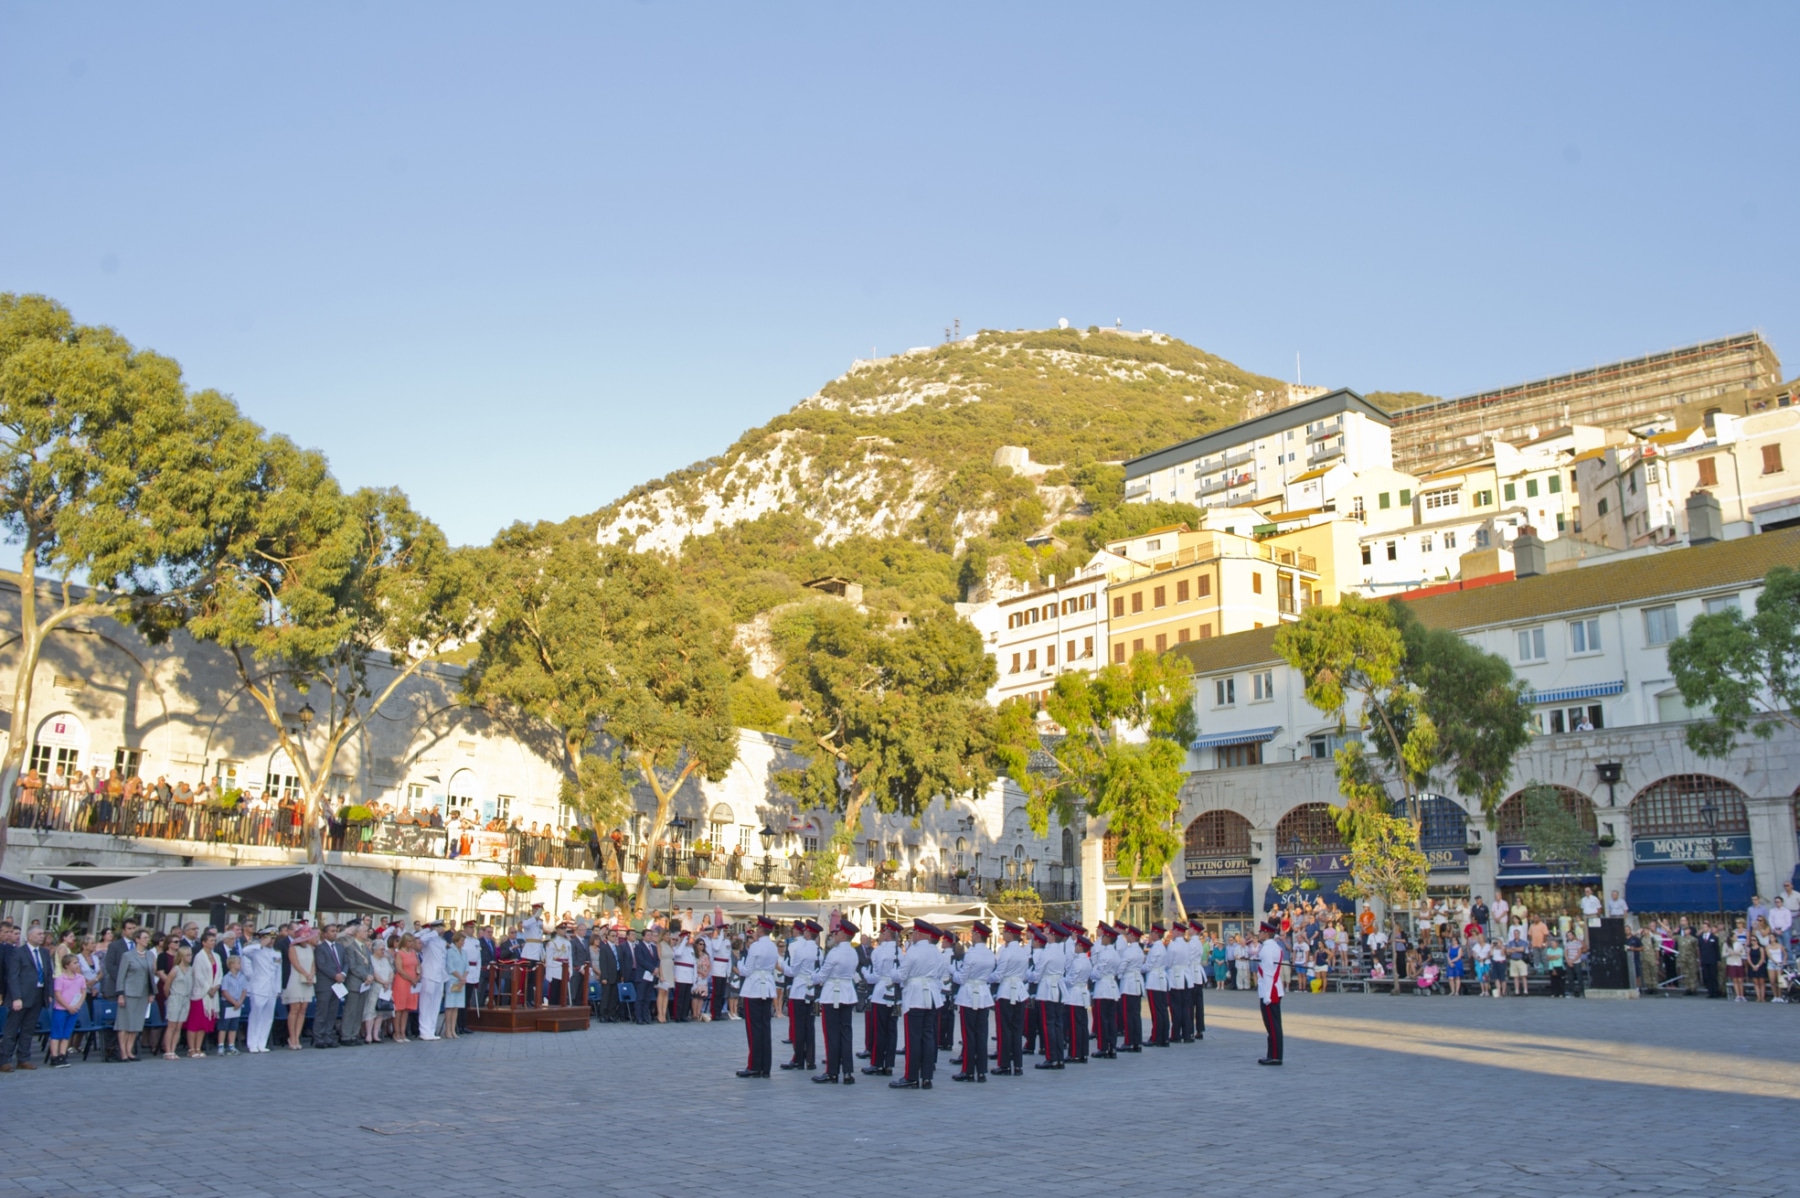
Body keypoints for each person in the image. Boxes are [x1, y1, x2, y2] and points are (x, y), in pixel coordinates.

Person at [890, 920, 944, 1090]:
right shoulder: (936, 952)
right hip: (932, 996)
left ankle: (911, 1076)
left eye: (913, 933)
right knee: (928, 1037)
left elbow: (901, 975)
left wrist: (893, 973)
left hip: (915, 996)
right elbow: (940, 973)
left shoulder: (913, 951)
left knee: (913, 1038)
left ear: (918, 934)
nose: (912, 936)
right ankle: (927, 1077)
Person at [812, 918, 860, 1084]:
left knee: (832, 1034)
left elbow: (822, 976)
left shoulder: (834, 952)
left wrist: (813, 976)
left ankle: (832, 1071)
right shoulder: (853, 952)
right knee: (846, 1033)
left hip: (832, 994)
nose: (835, 935)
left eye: (837, 933)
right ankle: (847, 1071)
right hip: (847, 993)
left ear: (843, 935)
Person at [949, 921, 996, 1083]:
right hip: (983, 994)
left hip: (969, 994)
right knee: (981, 1034)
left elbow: (962, 978)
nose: (971, 935)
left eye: (973, 933)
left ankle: (968, 1070)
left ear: (977, 935)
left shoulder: (971, 954)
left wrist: (952, 971)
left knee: (968, 1034)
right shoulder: (990, 954)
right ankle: (981, 1071)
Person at [735, 915, 779, 1078]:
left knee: (754, 1028)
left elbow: (746, 970)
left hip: (754, 988)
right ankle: (765, 1067)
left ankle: (754, 1065)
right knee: (765, 1027)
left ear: (761, 929)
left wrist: (739, 963)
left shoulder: (755, 946)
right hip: (767, 987)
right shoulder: (773, 947)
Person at [0, 927, 50, 1072]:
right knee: (11, 1029)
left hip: (38, 994)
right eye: (39, 934)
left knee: (28, 1029)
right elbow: (13, 976)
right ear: (29, 936)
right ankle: (4, 1060)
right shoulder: (18, 952)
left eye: (43, 934)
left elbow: (48, 974)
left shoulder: (44, 953)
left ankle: (23, 1059)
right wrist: (16, 997)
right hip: (21, 996)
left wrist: (49, 993)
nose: (42, 936)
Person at [860, 920, 901, 1077]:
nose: (882, 935)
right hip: (895, 994)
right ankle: (889, 1064)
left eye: (884, 932)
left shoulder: (879, 951)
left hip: (881, 993)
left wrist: (865, 973)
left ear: (888, 934)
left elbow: (874, 977)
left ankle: (877, 1063)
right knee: (892, 1030)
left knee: (880, 1030)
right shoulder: (899, 952)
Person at [780, 920, 819, 1070]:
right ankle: (810, 1059)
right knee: (810, 1026)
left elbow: (793, 971)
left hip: (800, 989)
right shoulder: (819, 950)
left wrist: (783, 965)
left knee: (798, 1026)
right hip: (812, 989)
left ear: (807, 933)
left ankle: (798, 1058)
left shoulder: (801, 950)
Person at [114, 928, 155, 1061]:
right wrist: (120, 994)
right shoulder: (128, 956)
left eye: (148, 938)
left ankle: (130, 1050)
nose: (147, 940)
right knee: (125, 1023)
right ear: (137, 939)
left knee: (136, 1023)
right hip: (129, 992)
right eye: (144, 938)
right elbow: (121, 976)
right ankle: (123, 1051)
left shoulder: (150, 955)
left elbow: (151, 975)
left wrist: (151, 992)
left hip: (143, 992)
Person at [185, 930, 223, 1058]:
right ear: (204, 942)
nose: (213, 943)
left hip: (212, 992)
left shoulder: (216, 956)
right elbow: (198, 975)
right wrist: (208, 988)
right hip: (200, 993)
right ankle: (191, 1049)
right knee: (195, 1022)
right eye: (211, 940)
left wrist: (216, 986)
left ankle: (198, 1047)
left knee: (204, 1023)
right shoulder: (199, 957)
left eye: (214, 940)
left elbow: (219, 973)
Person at [1087, 923, 1121, 1060]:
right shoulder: (1115, 953)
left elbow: (1098, 973)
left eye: (1104, 937)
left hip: (1102, 988)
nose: (1101, 939)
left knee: (1102, 1020)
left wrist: (1090, 974)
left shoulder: (1105, 954)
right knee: (1111, 1019)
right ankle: (1112, 1047)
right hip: (1112, 987)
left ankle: (1103, 1048)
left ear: (1108, 938)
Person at [47, 951, 86, 1068]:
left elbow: (83, 992)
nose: (77, 965)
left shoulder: (80, 978)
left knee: (66, 1033)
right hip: (61, 1009)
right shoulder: (61, 978)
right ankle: (54, 1056)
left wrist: (78, 1005)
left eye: (77, 962)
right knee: (56, 1033)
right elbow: (58, 995)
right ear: (67, 965)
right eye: (74, 963)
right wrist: (68, 1006)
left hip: (74, 1009)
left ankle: (62, 1054)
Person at [1255, 920, 1284, 1066]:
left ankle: (1275, 1056)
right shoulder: (1274, 947)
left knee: (1272, 1026)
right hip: (1274, 988)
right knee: (1274, 1024)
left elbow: (1267, 974)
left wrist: (1266, 996)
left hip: (1270, 990)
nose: (1259, 934)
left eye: (1260, 932)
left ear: (1266, 934)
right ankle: (1273, 1054)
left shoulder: (1266, 949)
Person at [283, 928, 315, 1050]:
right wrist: (306, 974)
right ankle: (292, 1037)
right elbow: (295, 964)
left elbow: (313, 964)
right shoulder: (293, 948)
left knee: (303, 1009)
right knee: (295, 1009)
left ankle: (297, 1036)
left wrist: (311, 975)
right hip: (296, 979)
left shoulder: (310, 948)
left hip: (308, 980)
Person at [417, 922, 449, 1039]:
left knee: (435, 1004)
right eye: (439, 927)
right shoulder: (428, 939)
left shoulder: (441, 941)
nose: (442, 930)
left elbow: (443, 959)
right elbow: (420, 939)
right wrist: (432, 931)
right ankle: (424, 1031)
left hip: (439, 975)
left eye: (442, 927)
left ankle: (431, 1030)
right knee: (426, 1003)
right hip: (429, 974)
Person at [162, 946, 194, 1060]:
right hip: (175, 997)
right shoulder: (175, 970)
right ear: (181, 956)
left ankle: (173, 1049)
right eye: (187, 955)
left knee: (178, 1026)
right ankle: (168, 1051)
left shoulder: (191, 969)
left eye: (190, 955)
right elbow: (166, 986)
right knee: (171, 1025)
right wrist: (170, 997)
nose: (190, 957)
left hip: (186, 998)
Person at [217, 954, 247, 1055]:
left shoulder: (242, 977)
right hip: (228, 1003)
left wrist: (240, 1002)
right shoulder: (227, 977)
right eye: (239, 963)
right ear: (232, 964)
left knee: (234, 1025)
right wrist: (234, 1002)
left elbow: (244, 990)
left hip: (237, 1003)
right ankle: (221, 1046)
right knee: (224, 1025)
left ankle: (231, 1045)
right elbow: (225, 992)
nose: (240, 965)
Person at [392, 934, 419, 1041]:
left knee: (407, 1009)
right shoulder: (399, 953)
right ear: (404, 942)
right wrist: (411, 979)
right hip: (402, 981)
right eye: (409, 941)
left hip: (412, 982)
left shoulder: (413, 953)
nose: (411, 944)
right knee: (399, 1008)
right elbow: (399, 969)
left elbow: (418, 966)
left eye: (412, 941)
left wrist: (418, 976)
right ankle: (397, 1033)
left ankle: (403, 1033)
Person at [366, 939, 395, 1043]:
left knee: (381, 1013)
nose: (383, 951)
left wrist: (388, 981)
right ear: (375, 949)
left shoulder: (385, 960)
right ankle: (368, 1034)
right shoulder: (371, 959)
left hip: (386, 989)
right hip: (376, 988)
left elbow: (391, 972)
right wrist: (383, 982)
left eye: (384, 949)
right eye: (381, 949)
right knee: (371, 1011)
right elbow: (373, 973)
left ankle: (376, 1034)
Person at [443, 932, 468, 1037]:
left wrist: (464, 977)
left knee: (456, 1006)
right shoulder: (450, 952)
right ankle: (448, 1030)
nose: (463, 942)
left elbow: (467, 967)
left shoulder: (464, 952)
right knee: (450, 1006)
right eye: (461, 940)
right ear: (456, 941)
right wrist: (460, 977)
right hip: (453, 980)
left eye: (464, 940)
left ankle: (453, 1029)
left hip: (461, 982)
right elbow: (450, 967)